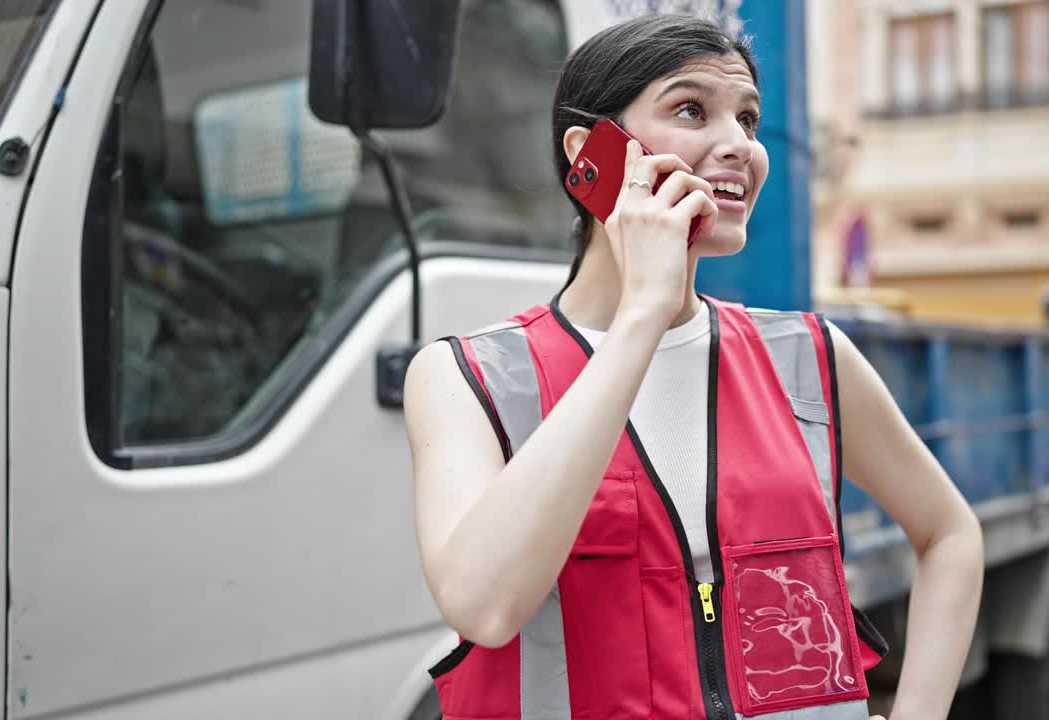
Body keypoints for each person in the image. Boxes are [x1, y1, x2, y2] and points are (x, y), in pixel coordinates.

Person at [404, 14, 983, 720]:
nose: (739, 145)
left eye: (748, 118)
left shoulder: (808, 356)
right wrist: (642, 313)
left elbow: (950, 533)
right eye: (691, 110)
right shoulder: (468, 377)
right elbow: (484, 605)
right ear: (591, 156)